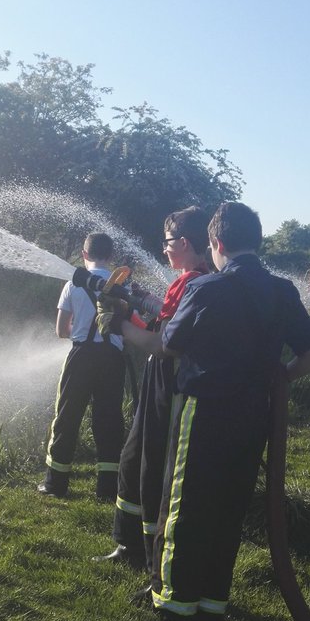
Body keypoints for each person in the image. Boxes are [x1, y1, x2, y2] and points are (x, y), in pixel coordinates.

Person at [144, 202, 310, 621]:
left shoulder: (206, 289)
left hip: (204, 412)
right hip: (253, 413)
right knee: (229, 505)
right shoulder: (282, 290)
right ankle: (212, 603)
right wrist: (278, 377)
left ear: (217, 243)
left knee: (184, 504)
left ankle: (173, 602)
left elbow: (169, 345)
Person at [94, 207, 212, 571]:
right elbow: (167, 315)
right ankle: (128, 544)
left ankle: (147, 552)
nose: (164, 250)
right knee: (133, 458)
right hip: (162, 380)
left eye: (168, 243)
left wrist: (118, 324)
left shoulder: (194, 281)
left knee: (149, 465)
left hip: (169, 384)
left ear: (185, 242)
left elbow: (163, 340)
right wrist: (135, 299)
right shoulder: (197, 280)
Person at [39, 232, 126, 501]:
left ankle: (56, 484)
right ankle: (108, 490)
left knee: (67, 417)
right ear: (111, 257)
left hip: (81, 357)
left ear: (84, 254)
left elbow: (61, 331)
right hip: (113, 358)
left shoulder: (73, 284)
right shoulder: (124, 286)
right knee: (110, 420)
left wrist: (79, 326)